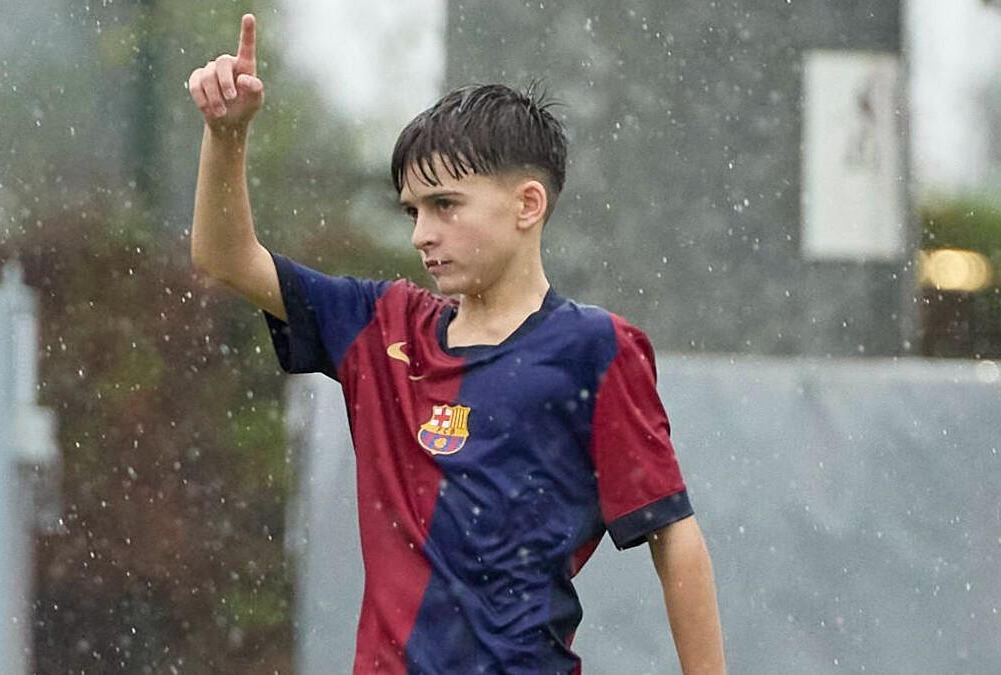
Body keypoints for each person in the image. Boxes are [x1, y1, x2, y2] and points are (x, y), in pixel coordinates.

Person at [188, 13, 726, 674]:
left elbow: (672, 535)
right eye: (412, 210)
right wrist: (227, 132)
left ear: (527, 206)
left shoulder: (594, 348)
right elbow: (226, 257)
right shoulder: (379, 322)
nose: (421, 233)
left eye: (445, 205)